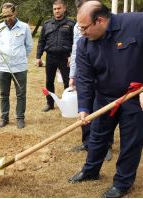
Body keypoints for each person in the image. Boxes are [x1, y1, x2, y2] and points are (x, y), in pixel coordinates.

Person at [68, 1, 143, 198]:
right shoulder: (83, 43)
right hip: (104, 97)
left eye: (84, 28)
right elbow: (84, 78)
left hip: (133, 98)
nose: (81, 32)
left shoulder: (136, 23)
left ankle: (122, 183)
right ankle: (90, 170)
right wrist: (84, 107)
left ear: (100, 20)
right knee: (97, 135)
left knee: (130, 141)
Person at [69, 0, 113, 161]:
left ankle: (106, 146)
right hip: (85, 70)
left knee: (103, 115)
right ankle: (88, 143)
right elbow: (76, 49)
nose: (82, 31)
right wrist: (73, 75)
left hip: (104, 79)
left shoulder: (101, 27)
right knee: (85, 111)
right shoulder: (80, 27)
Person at [0, 2, 33, 129]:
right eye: (4, 16)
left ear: (15, 13)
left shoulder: (24, 27)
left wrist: (19, 58)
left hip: (19, 68)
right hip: (3, 68)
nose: (7, 18)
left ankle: (20, 118)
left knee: (21, 94)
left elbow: (29, 46)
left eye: (9, 15)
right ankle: (4, 118)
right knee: (3, 94)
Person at [36, 0, 75, 112]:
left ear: (64, 8)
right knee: (49, 81)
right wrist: (38, 57)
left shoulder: (71, 24)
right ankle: (50, 103)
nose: (56, 11)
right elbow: (41, 41)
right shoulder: (47, 24)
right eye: (55, 9)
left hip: (65, 57)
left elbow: (75, 42)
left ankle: (68, 104)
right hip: (51, 57)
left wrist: (72, 56)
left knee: (68, 82)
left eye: (59, 8)